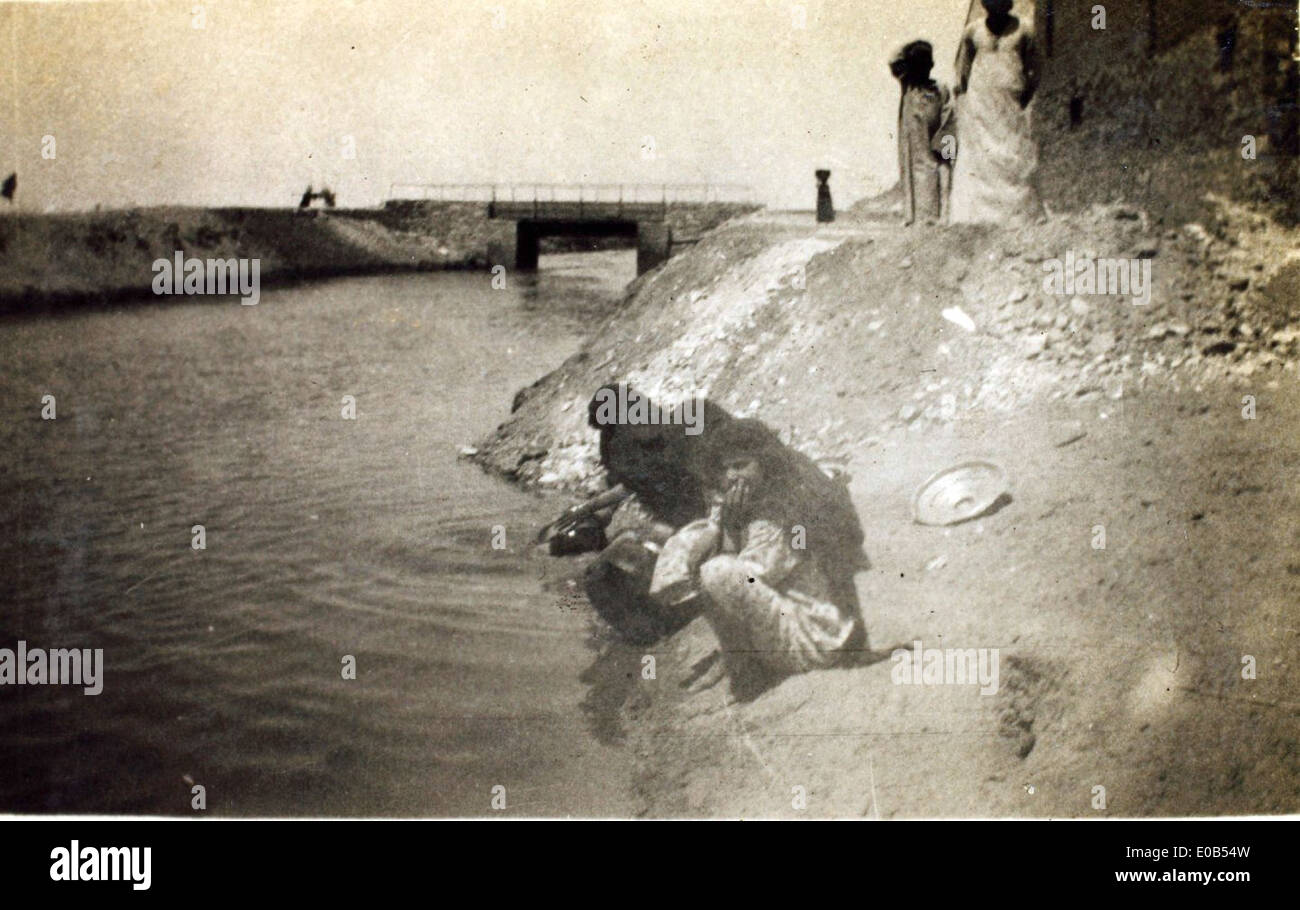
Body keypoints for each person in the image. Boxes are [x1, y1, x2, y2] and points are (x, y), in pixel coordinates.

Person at [654, 419, 866, 695]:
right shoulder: (764, 495)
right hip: (803, 619)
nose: (731, 476)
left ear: (766, 463)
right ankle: (736, 656)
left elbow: (743, 578)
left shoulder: (776, 516)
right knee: (693, 541)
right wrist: (723, 527)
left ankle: (744, 665)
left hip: (814, 639)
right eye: (725, 468)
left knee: (717, 572)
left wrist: (730, 528)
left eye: (741, 465)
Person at [949, 0, 1042, 225]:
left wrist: (1022, 97)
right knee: (981, 155)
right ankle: (981, 216)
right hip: (980, 101)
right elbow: (963, 70)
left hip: (1010, 101)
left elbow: (1035, 68)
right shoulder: (973, 31)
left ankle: (1013, 214)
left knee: (1011, 152)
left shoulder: (1024, 29)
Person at [890, 40, 951, 226]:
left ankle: (941, 216)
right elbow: (894, 60)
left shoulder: (940, 89)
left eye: (925, 63)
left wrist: (948, 150)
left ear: (932, 65)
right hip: (914, 155)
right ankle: (916, 219)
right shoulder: (908, 87)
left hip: (937, 150)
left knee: (944, 168)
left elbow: (948, 122)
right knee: (916, 174)